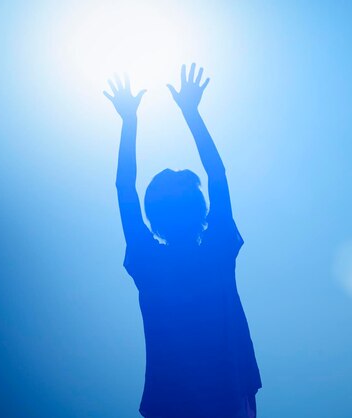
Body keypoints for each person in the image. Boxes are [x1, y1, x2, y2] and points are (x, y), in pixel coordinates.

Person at [104, 64, 262, 418]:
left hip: (177, 399)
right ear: (200, 208)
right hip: (221, 393)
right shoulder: (216, 249)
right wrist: (191, 113)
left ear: (154, 216)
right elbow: (217, 175)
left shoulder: (150, 260)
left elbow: (124, 188)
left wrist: (129, 123)